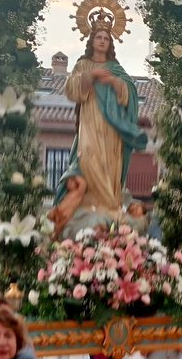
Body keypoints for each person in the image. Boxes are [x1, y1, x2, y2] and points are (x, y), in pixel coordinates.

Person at [49, 24, 148, 234]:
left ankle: (109, 205)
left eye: (106, 38)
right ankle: (88, 204)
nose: (103, 40)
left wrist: (114, 81)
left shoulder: (115, 68)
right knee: (88, 156)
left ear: (110, 43)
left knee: (109, 162)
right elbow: (71, 89)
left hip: (112, 128)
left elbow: (129, 92)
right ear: (92, 41)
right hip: (90, 121)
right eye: (99, 37)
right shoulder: (83, 65)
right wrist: (90, 76)